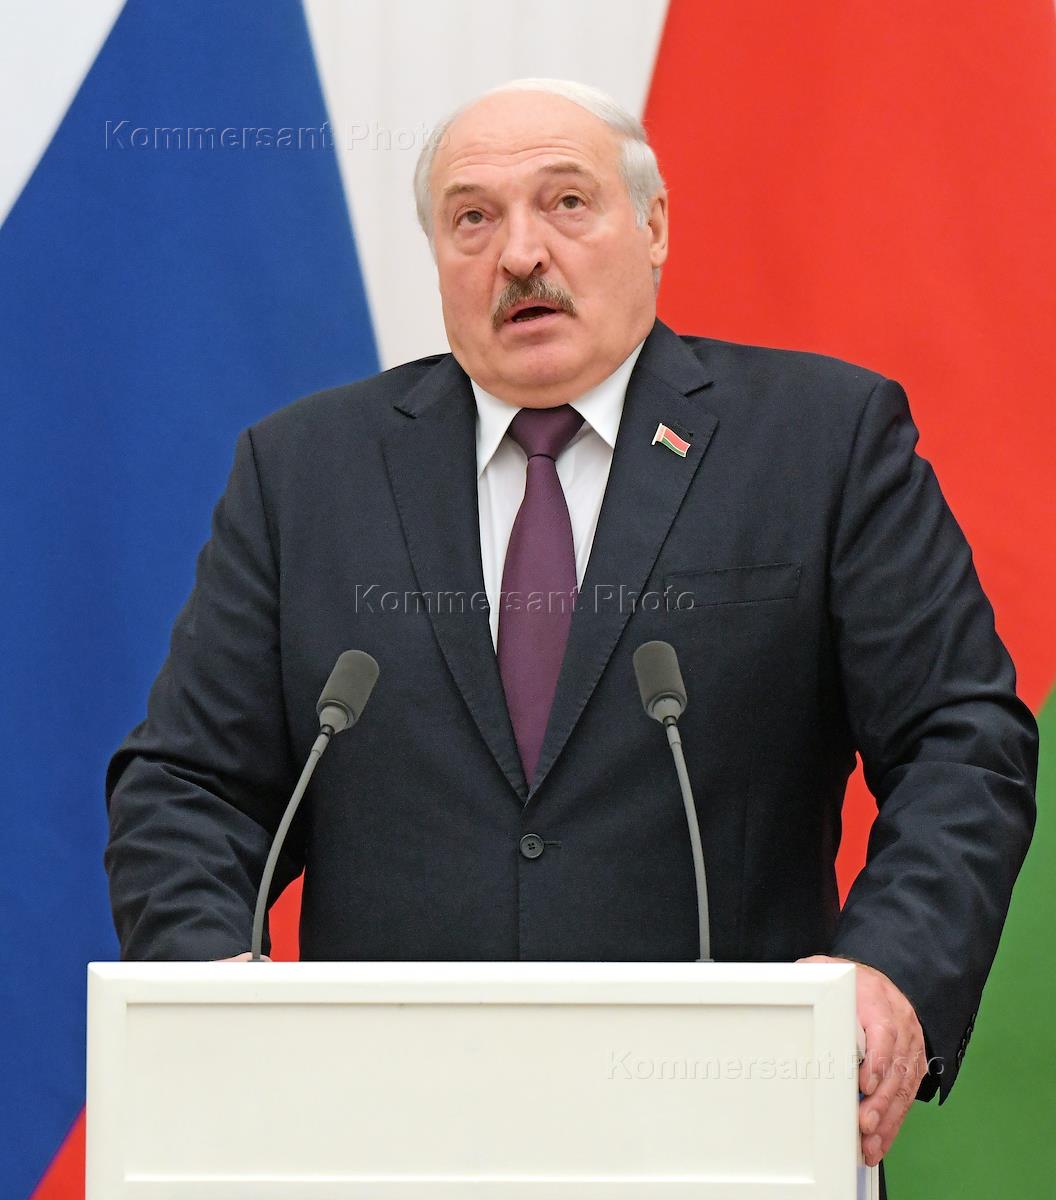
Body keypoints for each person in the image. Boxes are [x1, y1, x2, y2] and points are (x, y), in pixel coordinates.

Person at [105, 79, 1037, 1177]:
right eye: (473, 217)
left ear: (653, 227)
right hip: (381, 1135)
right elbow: (190, 786)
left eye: (566, 202)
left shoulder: (821, 442)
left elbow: (960, 740)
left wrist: (891, 972)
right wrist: (211, 992)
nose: (519, 254)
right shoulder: (304, 473)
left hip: (730, 1127)